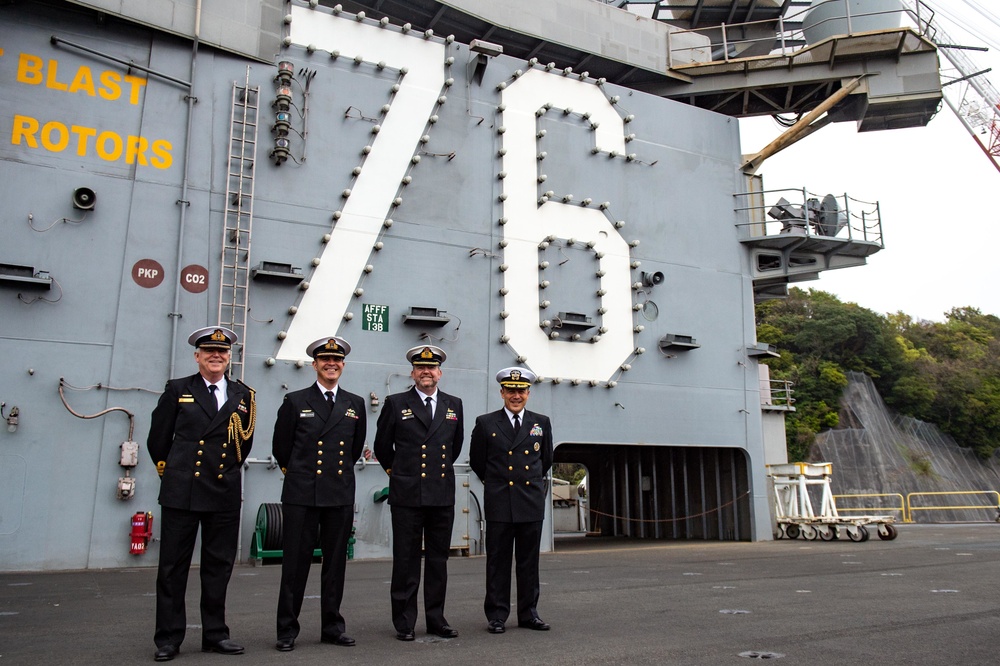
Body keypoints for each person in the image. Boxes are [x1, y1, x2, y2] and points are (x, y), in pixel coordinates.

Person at [147, 326, 256, 661]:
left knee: (218, 567)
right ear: (197, 356)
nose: (216, 356)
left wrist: (225, 474)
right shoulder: (178, 389)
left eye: (222, 352)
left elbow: (244, 444)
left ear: (229, 358)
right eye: (209, 351)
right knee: (172, 568)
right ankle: (168, 638)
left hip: (222, 490)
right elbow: (158, 439)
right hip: (183, 490)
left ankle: (215, 634)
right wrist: (173, 473)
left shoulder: (243, 395)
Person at [271, 337, 366, 651]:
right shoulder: (295, 401)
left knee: (335, 565)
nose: (331, 364)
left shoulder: (354, 404)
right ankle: (287, 630)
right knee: (295, 565)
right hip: (302, 494)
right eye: (325, 359)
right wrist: (303, 474)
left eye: (336, 360)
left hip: (338, 493)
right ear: (314, 364)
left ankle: (332, 627)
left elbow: (353, 449)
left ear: (343, 365)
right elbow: (281, 449)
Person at [373, 345, 464, 641]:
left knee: (438, 561)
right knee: (406, 560)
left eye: (432, 367)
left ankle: (436, 619)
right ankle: (404, 621)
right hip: (408, 495)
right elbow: (383, 447)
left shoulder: (454, 405)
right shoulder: (396, 403)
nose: (427, 371)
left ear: (440, 372)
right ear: (412, 372)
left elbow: (455, 446)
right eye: (421, 367)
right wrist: (400, 474)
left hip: (440, 494)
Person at [469, 367, 553, 635]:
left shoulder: (541, 423)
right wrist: (496, 484)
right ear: (502, 392)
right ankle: (496, 615)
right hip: (500, 502)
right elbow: (478, 462)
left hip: (529, 502)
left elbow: (546, 460)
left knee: (529, 563)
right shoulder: (485, 423)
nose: (516, 395)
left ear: (528, 393)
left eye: (521, 391)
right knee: (498, 562)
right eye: (511, 391)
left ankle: (529, 614)